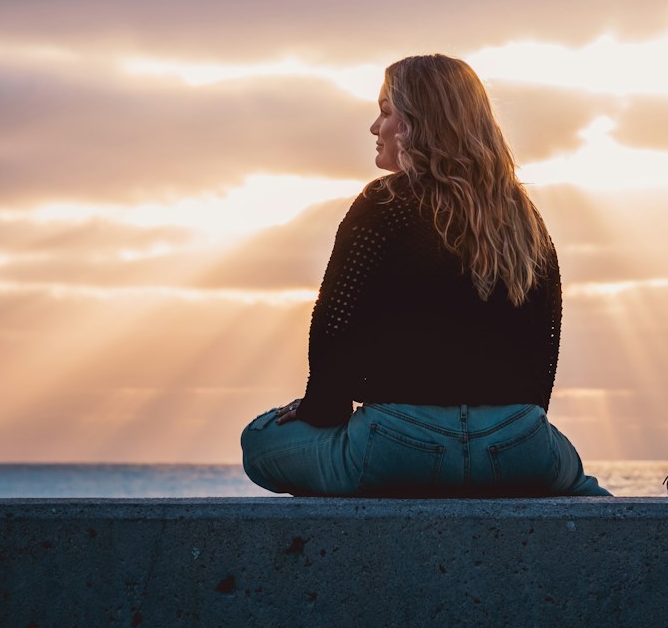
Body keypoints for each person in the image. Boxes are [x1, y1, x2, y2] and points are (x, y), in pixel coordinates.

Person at [241, 54, 610, 496]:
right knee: (584, 489)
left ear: (416, 123)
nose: (375, 128)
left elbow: (335, 322)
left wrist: (325, 410)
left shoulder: (384, 203)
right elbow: (547, 334)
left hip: (398, 445)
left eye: (385, 111)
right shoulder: (521, 213)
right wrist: (512, 428)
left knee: (259, 439)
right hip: (515, 440)